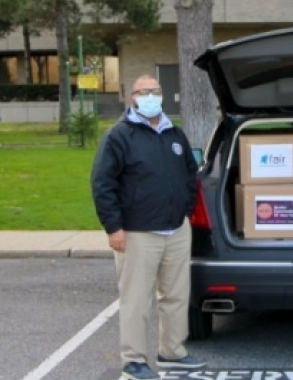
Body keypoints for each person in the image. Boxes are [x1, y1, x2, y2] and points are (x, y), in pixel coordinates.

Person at [91, 74, 205, 380]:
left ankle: (173, 352)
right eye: (144, 91)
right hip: (137, 232)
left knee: (177, 296)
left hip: (176, 230)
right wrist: (113, 227)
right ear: (133, 98)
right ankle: (134, 360)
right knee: (136, 299)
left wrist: (185, 210)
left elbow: (189, 176)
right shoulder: (119, 136)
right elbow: (103, 184)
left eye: (156, 90)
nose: (151, 96)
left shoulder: (175, 136)